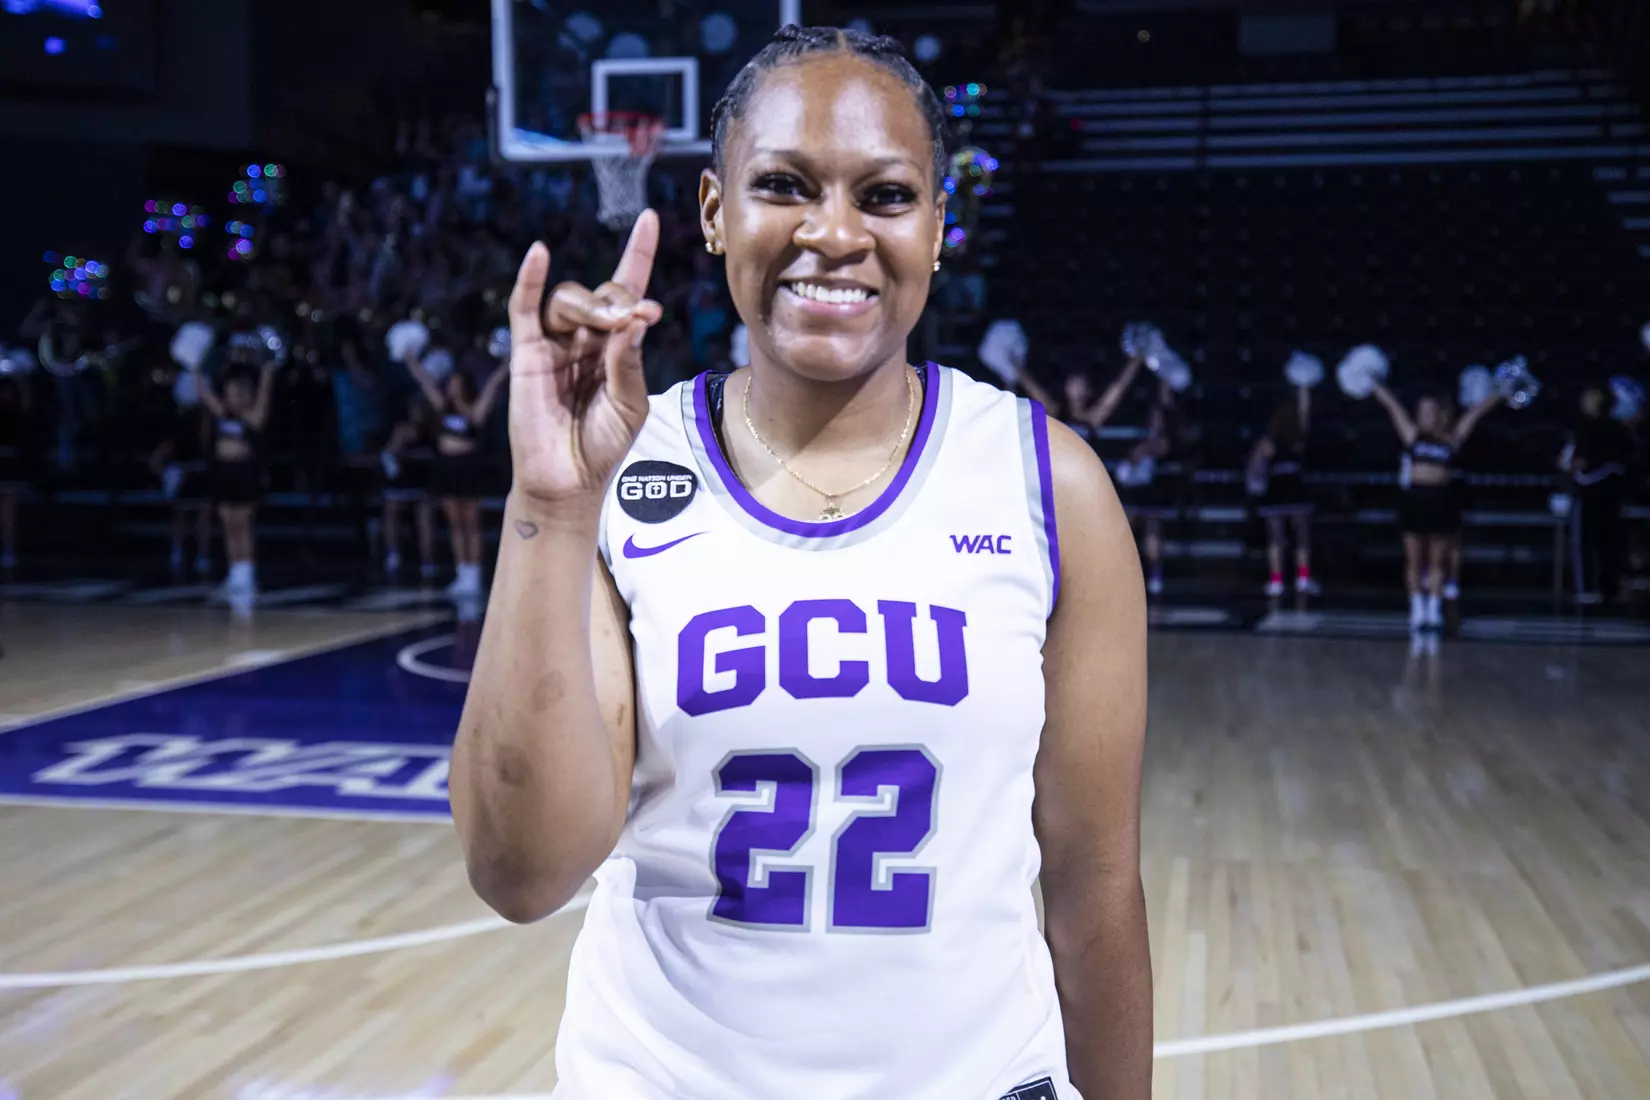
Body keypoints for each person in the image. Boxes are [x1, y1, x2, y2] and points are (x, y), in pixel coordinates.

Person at [450, 26, 1150, 1100]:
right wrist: (549, 503)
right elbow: (522, 871)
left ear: (938, 226)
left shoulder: (1047, 484)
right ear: (714, 208)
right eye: (783, 184)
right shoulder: (627, 470)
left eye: (885, 195)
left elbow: (1095, 883)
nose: (835, 232)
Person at [1371, 383, 1502, 631]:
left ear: (1440, 414)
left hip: (1441, 500)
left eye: (1431, 411)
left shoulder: (1452, 438)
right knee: (1413, 559)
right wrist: (1373, 384)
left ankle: (1433, 608)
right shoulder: (1412, 435)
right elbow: (1392, 406)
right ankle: (1417, 608)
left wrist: (1499, 393)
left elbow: (1475, 413)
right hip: (1414, 500)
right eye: (1422, 411)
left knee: (1437, 560)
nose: (1426, 416)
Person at [405, 351, 508, 597]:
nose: (451, 386)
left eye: (455, 382)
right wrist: (411, 360)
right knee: (454, 522)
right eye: (450, 382)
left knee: (471, 522)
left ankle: (474, 574)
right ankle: (461, 572)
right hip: (446, 468)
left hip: (468, 467)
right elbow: (425, 382)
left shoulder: (474, 409)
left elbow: (493, 386)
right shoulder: (442, 406)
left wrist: (506, 365)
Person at [199, 360, 277, 598]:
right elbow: (205, 394)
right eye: (229, 392)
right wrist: (194, 367)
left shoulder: (252, 417)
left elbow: (264, 396)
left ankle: (248, 575)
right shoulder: (222, 414)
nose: (232, 397)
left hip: (244, 475)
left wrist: (267, 372)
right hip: (223, 473)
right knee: (228, 524)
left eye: (237, 393)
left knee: (243, 525)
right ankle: (235, 574)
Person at [1560, 383, 1635, 605]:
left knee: (1586, 541)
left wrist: (1568, 464)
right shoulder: (1620, 428)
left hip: (1591, 491)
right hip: (1613, 492)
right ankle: (1610, 586)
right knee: (1609, 541)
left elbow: (1579, 462)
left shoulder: (1586, 428)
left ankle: (1587, 589)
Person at [1247, 383, 1316, 596]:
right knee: (1300, 536)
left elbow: (1253, 467)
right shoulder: (1296, 438)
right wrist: (1305, 390)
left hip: (1278, 490)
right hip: (1292, 489)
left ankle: (1278, 580)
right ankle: (1301, 578)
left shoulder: (1270, 442)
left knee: (1277, 537)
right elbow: (1305, 413)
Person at [147, 369, 213, 579]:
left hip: (200, 469)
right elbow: (166, 449)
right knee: (182, 515)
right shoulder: (178, 419)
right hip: (184, 470)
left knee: (202, 516)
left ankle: (201, 556)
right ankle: (178, 554)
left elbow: (205, 440)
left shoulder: (205, 417)